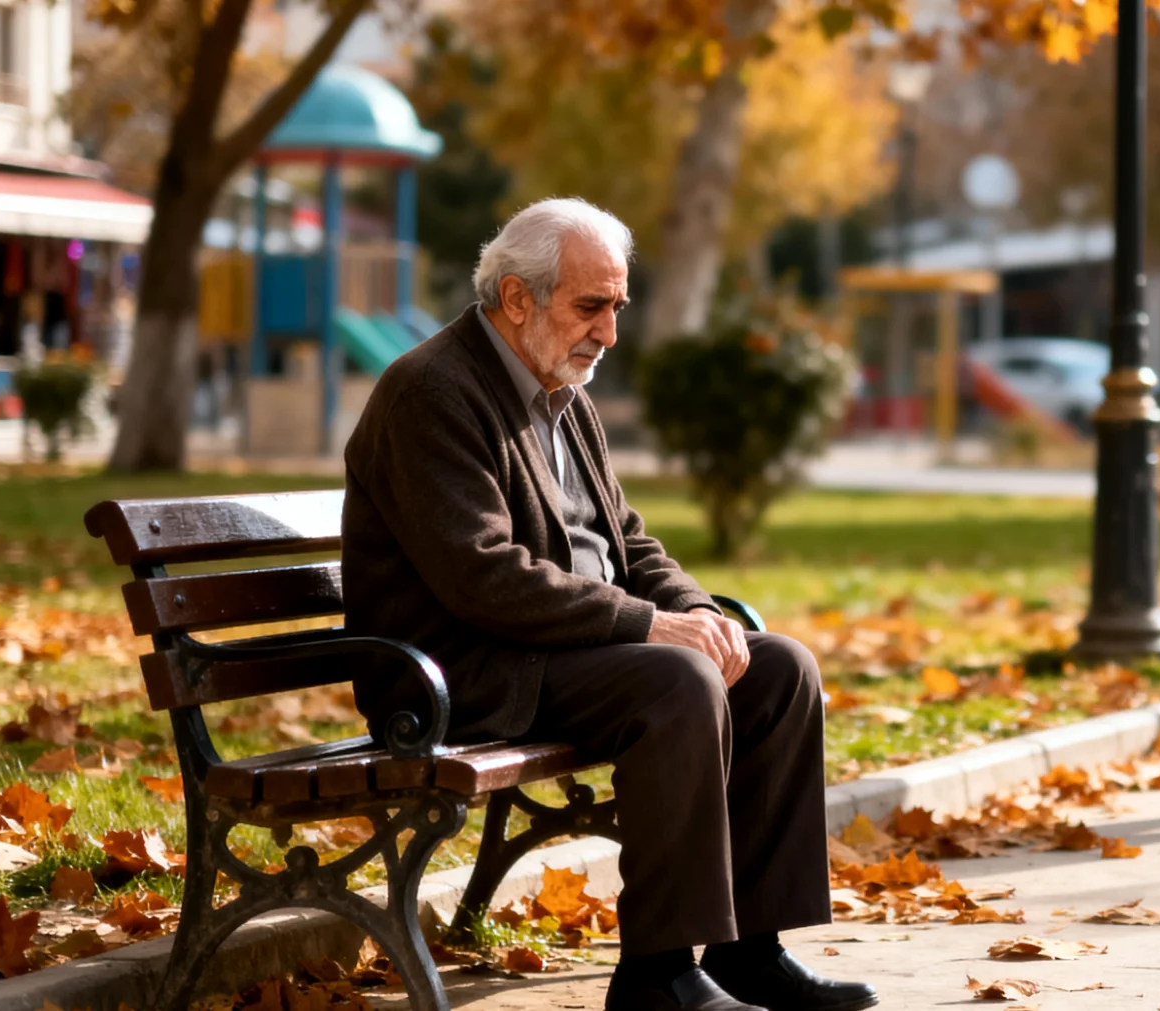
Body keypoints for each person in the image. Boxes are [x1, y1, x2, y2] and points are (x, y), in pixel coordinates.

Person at [340, 198, 877, 1011]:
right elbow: (484, 575)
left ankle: (748, 950)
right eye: (590, 306)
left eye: (616, 306)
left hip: (564, 651)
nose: (609, 332)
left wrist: (704, 617)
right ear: (517, 298)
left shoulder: (563, 390)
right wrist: (657, 627)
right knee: (678, 683)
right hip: (459, 672)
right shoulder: (431, 391)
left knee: (779, 670)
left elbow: (630, 544)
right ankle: (657, 976)